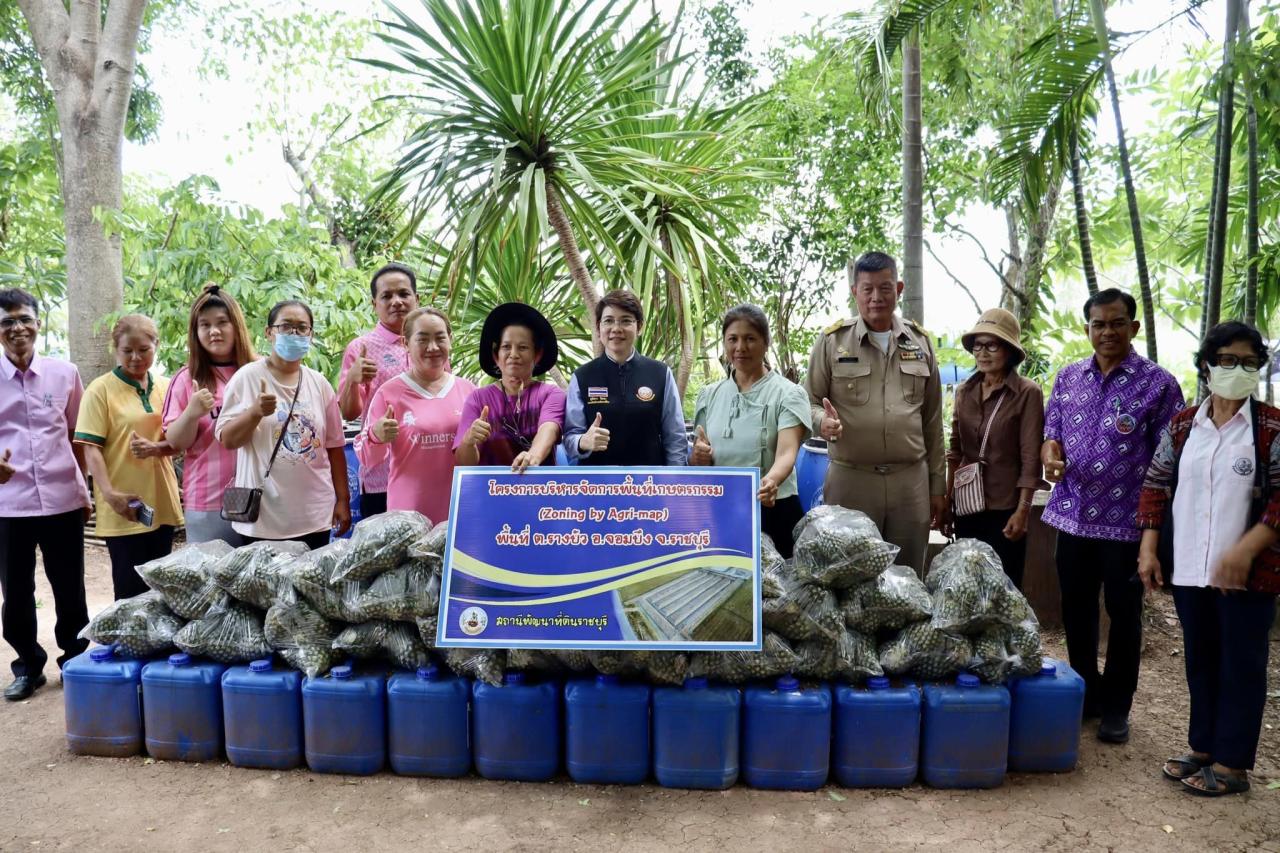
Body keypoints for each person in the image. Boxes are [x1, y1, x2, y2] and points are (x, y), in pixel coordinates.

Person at [1137, 321, 1278, 796]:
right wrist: (1149, 547)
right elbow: (1156, 485)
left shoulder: (1271, 428)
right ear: (1206, 366)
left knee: (1241, 663)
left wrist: (1246, 548)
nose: (1238, 370)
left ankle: (1233, 764)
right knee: (1201, 659)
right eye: (1227, 360)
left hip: (1249, 574)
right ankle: (1203, 747)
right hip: (1192, 565)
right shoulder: (1183, 425)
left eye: (1249, 362)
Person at [1041, 287, 1184, 745]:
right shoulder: (1067, 378)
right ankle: (1087, 696)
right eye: (1098, 324)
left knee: (1124, 617)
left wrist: (1154, 530)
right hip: (1072, 517)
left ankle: (1117, 708)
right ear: (1087, 329)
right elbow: (1052, 434)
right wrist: (1051, 453)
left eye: (1116, 323)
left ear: (1133, 328)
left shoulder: (1159, 384)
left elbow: (1168, 460)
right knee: (1076, 613)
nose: (1107, 332)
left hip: (1127, 526)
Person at [803, 251, 945, 573]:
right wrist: (821, 422)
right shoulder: (831, 342)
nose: (876, 298)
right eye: (867, 289)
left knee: (908, 575)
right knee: (848, 575)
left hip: (909, 484)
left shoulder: (920, 343)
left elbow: (933, 422)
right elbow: (806, 402)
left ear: (899, 288)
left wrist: (938, 487)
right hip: (851, 480)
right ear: (854, 292)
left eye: (884, 288)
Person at [0, 288, 91, 701]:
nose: (17, 328)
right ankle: (27, 666)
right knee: (16, 591)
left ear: (38, 323)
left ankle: (75, 657)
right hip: (8, 503)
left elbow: (78, 436)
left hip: (61, 499)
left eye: (24, 319)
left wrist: (83, 487)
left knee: (69, 585)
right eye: (6, 322)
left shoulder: (64, 373)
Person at [215, 300, 350, 549]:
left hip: (314, 515)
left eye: (302, 328)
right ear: (269, 333)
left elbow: (334, 447)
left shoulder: (319, 384)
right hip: (263, 517)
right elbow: (228, 440)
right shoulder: (247, 378)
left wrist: (343, 500)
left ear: (311, 335)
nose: (294, 334)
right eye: (286, 327)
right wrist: (255, 412)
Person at [74, 314, 184, 600]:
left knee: (160, 589)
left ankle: (159, 647)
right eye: (127, 351)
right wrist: (109, 495)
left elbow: (180, 441)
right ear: (116, 349)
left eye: (144, 350)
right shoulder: (100, 390)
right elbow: (91, 448)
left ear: (156, 346)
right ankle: (127, 645)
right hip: (126, 504)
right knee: (129, 588)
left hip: (161, 501)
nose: (136, 357)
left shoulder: (167, 386)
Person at [690, 305, 811, 557]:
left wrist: (772, 481)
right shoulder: (709, 396)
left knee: (779, 590)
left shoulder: (788, 394)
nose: (740, 347)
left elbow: (788, 452)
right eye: (732, 339)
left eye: (750, 339)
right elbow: (700, 456)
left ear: (766, 343)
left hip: (772, 506)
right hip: (723, 509)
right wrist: (698, 456)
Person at [945, 308, 1045, 589]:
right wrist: (948, 501)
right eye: (978, 346)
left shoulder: (1027, 393)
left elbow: (1030, 457)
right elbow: (955, 451)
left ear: (1009, 350)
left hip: (1005, 508)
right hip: (967, 505)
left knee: (1003, 587)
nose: (983, 353)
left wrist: (1023, 511)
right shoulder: (965, 391)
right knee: (966, 585)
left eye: (992, 345)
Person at [150, 284, 257, 546]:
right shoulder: (186, 379)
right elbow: (176, 442)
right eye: (204, 325)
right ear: (195, 332)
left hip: (260, 496)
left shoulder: (259, 372)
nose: (214, 331)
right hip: (209, 500)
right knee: (211, 582)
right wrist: (191, 412)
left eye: (222, 322)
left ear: (237, 326)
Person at [355, 307, 475, 524]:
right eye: (422, 339)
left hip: (460, 511)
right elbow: (367, 459)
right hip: (408, 517)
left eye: (440, 338)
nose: (432, 347)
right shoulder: (389, 393)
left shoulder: (468, 391)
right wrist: (376, 435)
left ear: (450, 339)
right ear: (406, 344)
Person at [562, 289, 686, 467]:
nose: (616, 328)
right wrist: (582, 442)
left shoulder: (660, 373)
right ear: (598, 328)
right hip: (596, 487)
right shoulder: (582, 377)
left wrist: (674, 482)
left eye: (626, 320)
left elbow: (675, 437)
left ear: (640, 326)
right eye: (608, 321)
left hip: (649, 486)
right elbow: (569, 438)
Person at [337, 263, 420, 518]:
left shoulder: (434, 344)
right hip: (382, 476)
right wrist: (352, 380)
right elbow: (349, 413)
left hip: (429, 471)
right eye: (386, 296)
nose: (396, 301)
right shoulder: (360, 348)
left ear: (417, 299)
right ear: (374, 304)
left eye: (403, 294)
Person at [454, 302, 565, 473]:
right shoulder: (478, 399)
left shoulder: (550, 394)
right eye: (506, 347)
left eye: (523, 347)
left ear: (537, 355)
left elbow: (548, 428)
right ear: (496, 355)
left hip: (539, 492)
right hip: (490, 492)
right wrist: (469, 440)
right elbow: (463, 464)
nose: (513, 354)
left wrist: (532, 456)